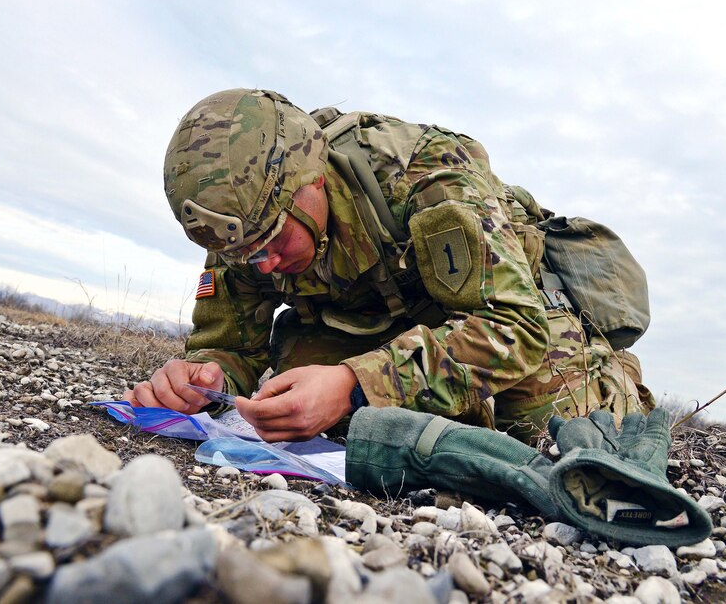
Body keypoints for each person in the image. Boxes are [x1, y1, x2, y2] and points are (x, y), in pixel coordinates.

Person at [125, 88, 654, 443]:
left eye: (273, 240)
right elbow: (231, 341)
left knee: (557, 434)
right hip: (384, 325)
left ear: (310, 181)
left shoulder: (425, 174)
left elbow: (514, 329)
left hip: (506, 314)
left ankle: (610, 374)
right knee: (296, 398)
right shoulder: (241, 222)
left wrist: (354, 384)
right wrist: (206, 374)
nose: (263, 265)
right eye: (244, 254)